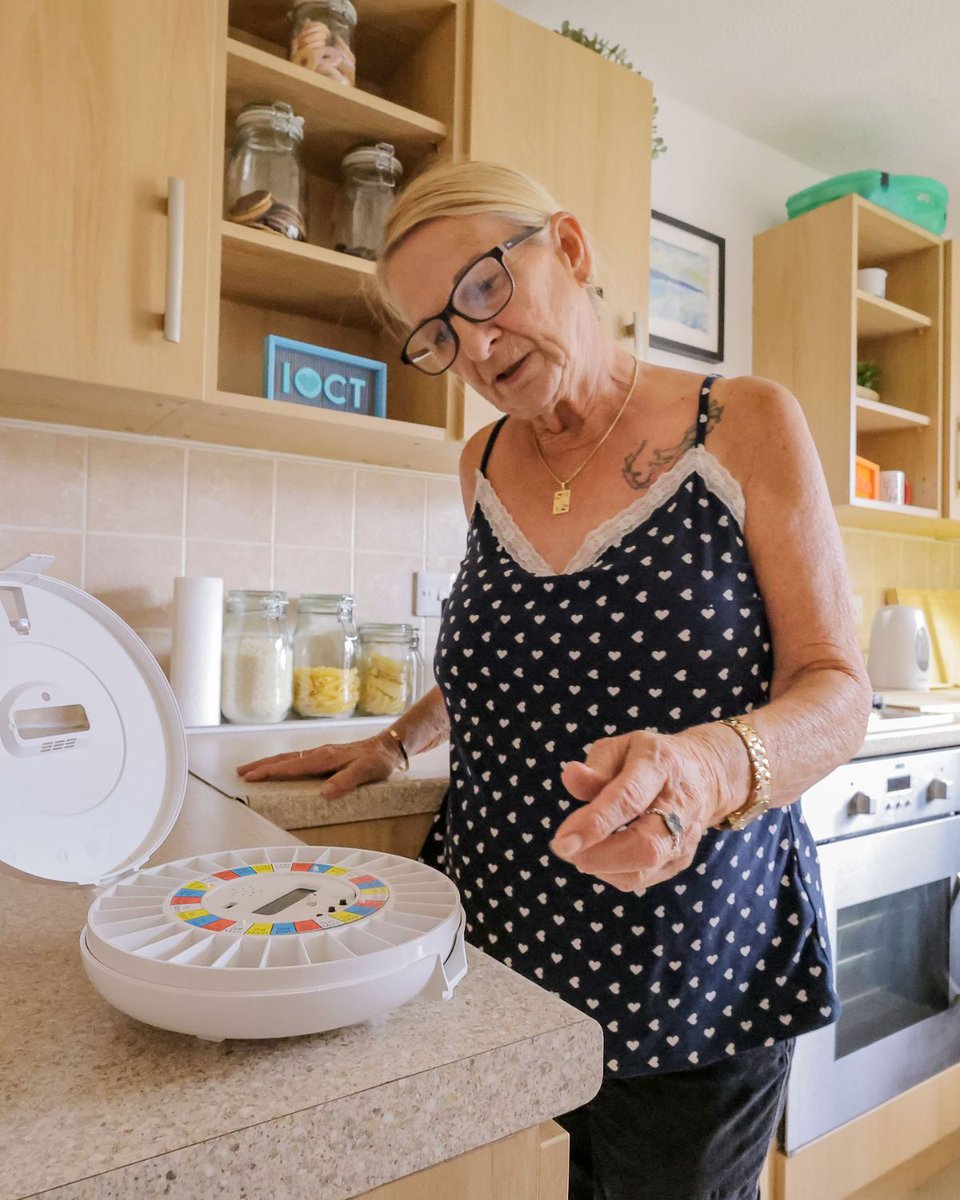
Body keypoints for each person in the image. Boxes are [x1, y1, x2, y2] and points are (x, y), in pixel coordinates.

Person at [237, 160, 873, 1200]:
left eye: (484, 289)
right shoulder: (481, 460)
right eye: (440, 335)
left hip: (691, 972)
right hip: (494, 962)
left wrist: (708, 768)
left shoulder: (743, 422)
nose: (476, 348)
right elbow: (524, 655)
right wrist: (398, 740)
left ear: (568, 249)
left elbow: (837, 688)